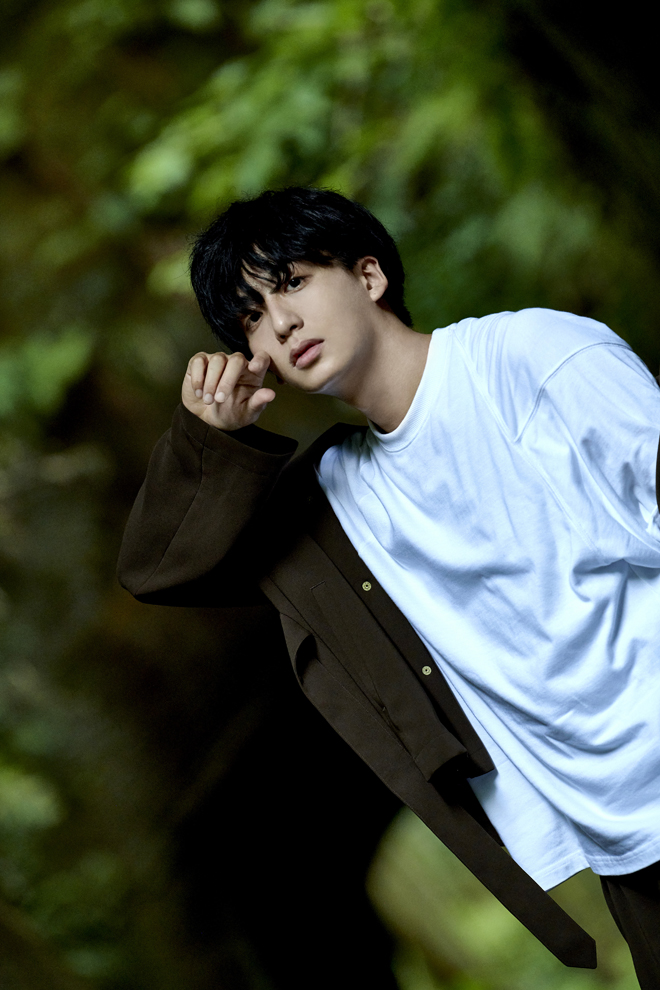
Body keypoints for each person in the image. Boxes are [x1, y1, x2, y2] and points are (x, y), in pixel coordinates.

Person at [118, 187, 660, 987]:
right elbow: (161, 569)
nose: (281, 324)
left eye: (293, 282)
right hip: (626, 843)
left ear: (368, 275)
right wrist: (210, 443)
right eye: (252, 318)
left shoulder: (532, 357)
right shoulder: (337, 504)